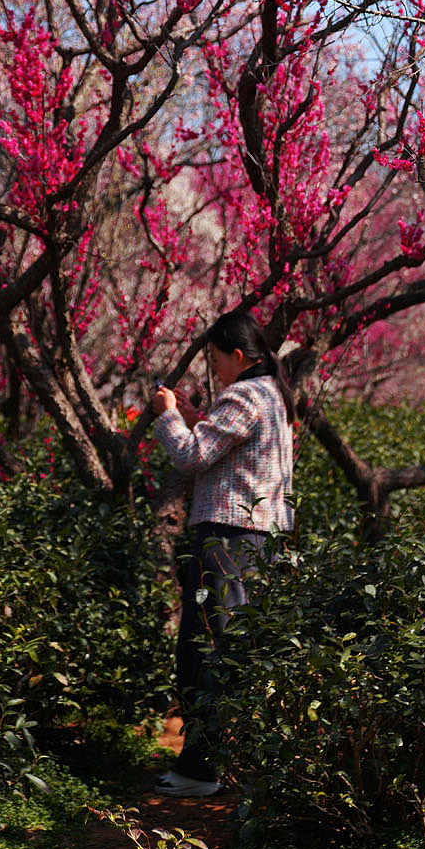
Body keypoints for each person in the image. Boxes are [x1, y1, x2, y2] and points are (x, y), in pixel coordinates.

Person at [150, 309, 295, 798]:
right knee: (231, 648)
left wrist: (168, 415)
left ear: (237, 355)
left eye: (215, 359)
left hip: (227, 539)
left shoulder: (244, 395)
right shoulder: (273, 395)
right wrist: (195, 419)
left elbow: (191, 456)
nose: (214, 369)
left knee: (207, 648)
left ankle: (199, 770)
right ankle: (225, 762)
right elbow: (225, 448)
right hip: (258, 541)